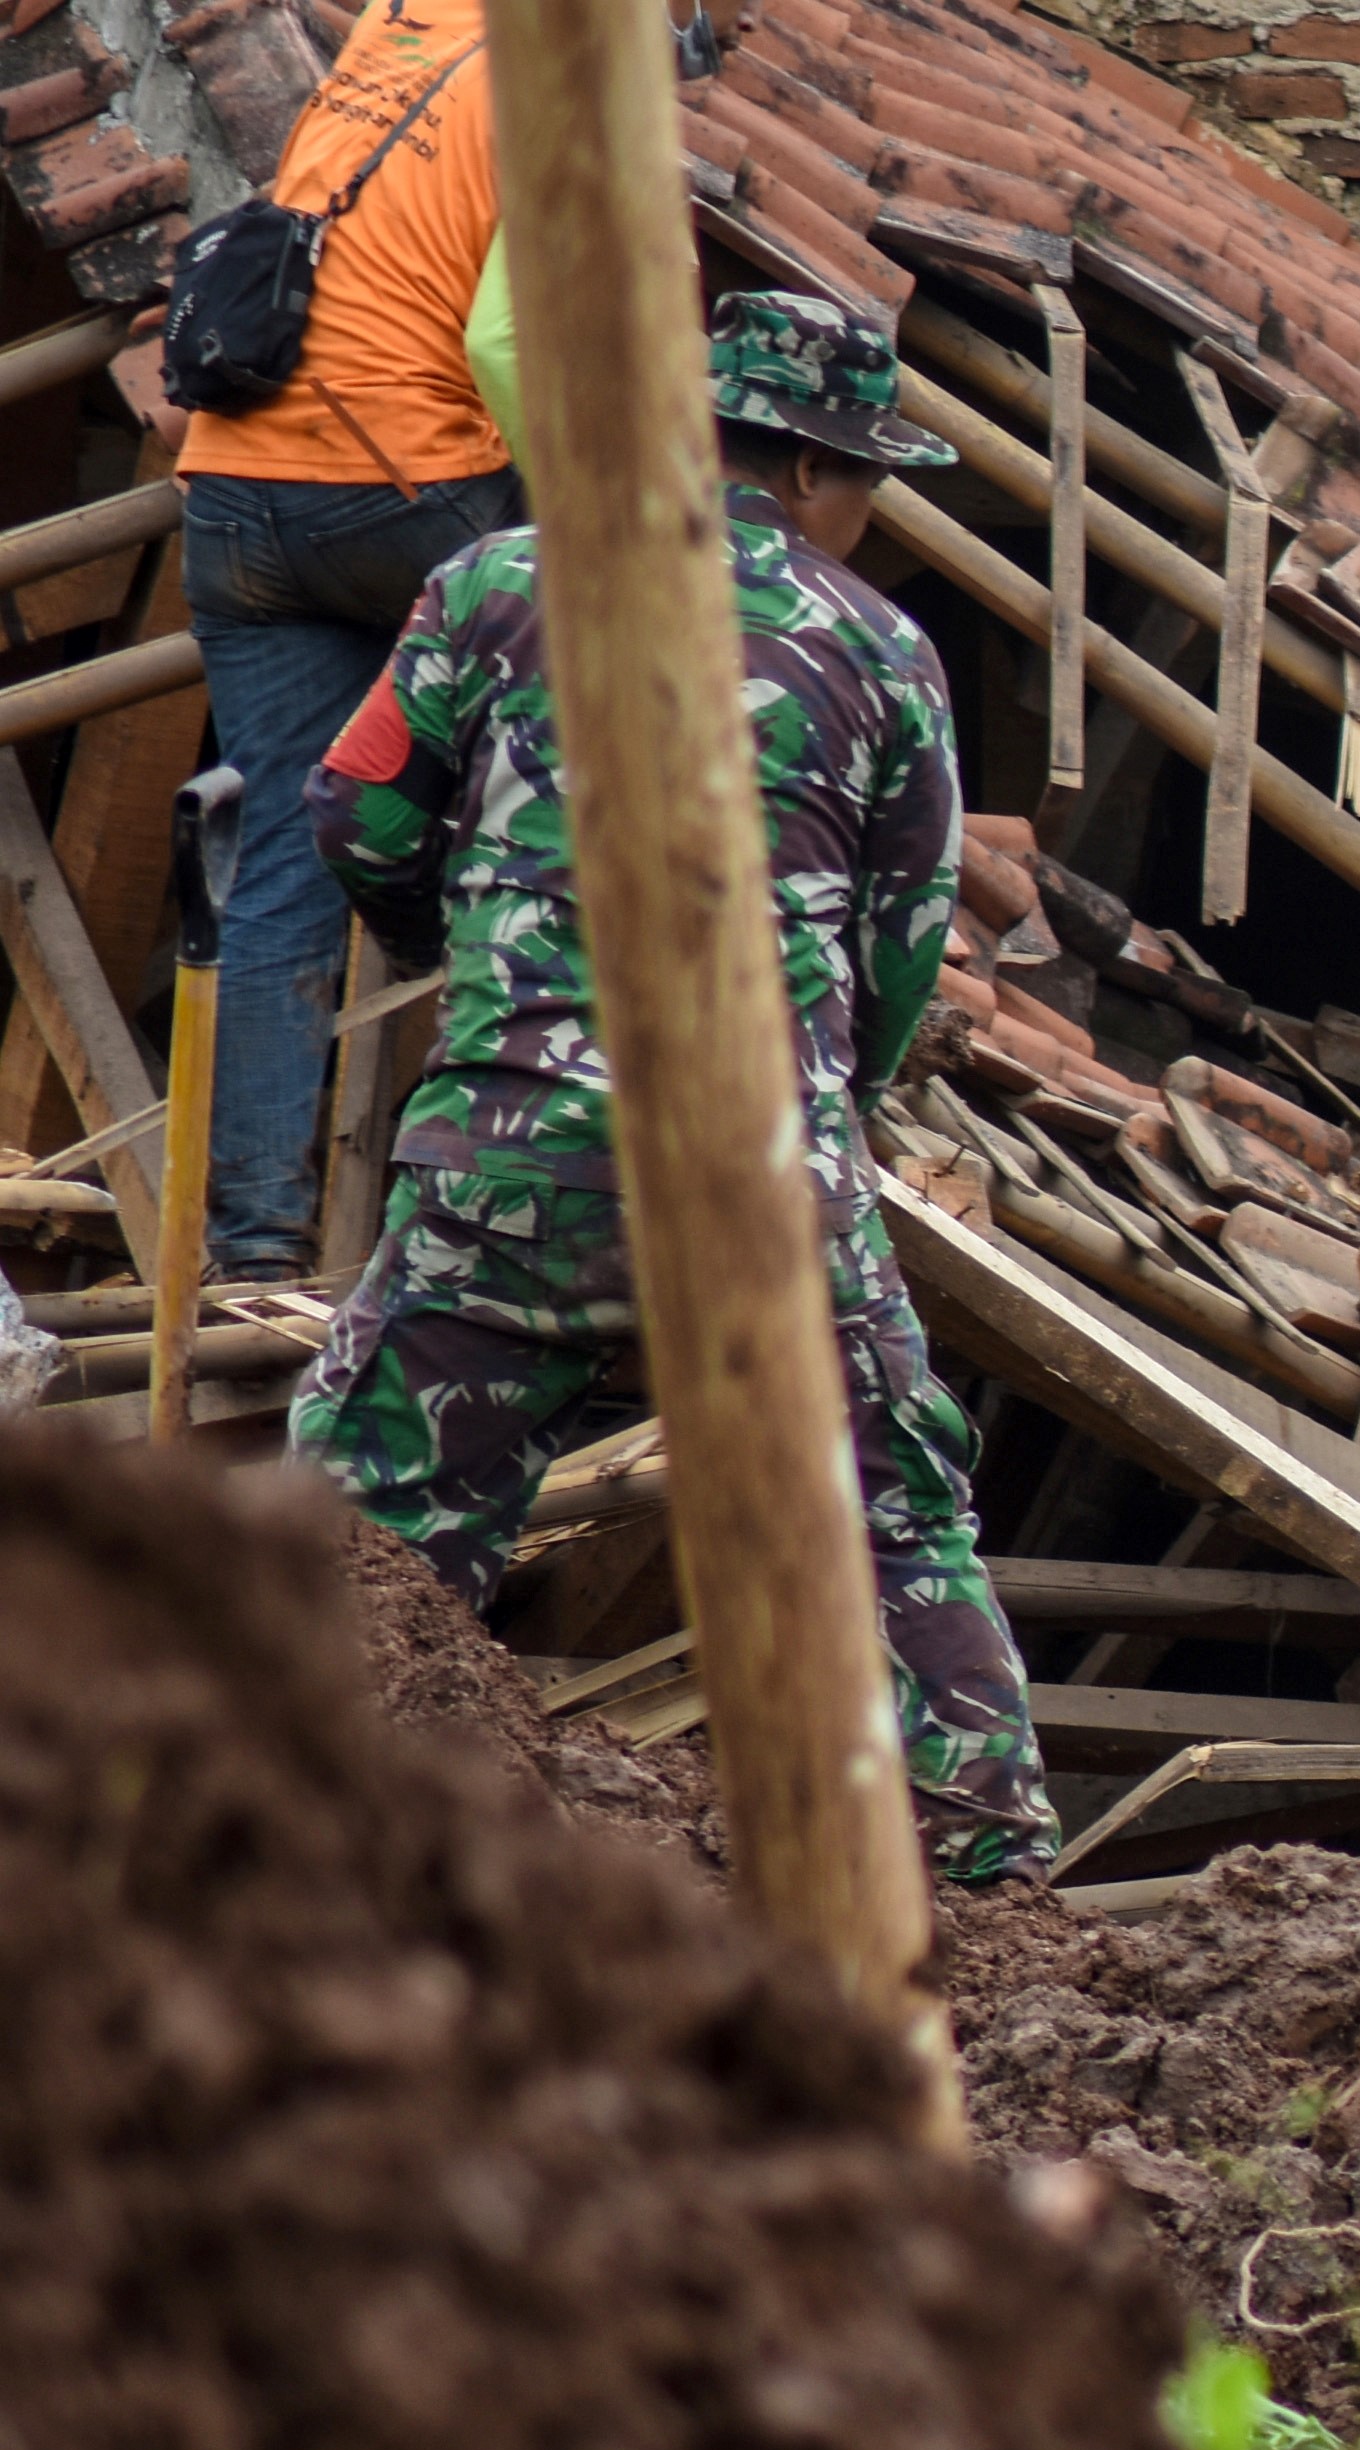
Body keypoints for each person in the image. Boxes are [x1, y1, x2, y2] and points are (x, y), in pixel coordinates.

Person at [287, 292, 1055, 1886]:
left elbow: (356, 806)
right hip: (769, 1188)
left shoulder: (496, 584)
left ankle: (272, 1837)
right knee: (892, 1519)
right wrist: (826, 1091)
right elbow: (902, 949)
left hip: (516, 1167)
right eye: (871, 486)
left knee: (365, 1530)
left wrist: (475, 966)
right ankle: (992, 1874)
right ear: (812, 468)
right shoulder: (884, 650)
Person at [176, 0, 516, 1281]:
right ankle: (489, 1238)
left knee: (274, 865)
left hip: (237, 489)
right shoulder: (576, 81)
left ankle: (255, 1252)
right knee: (565, 799)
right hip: (399, 488)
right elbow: (503, 339)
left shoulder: (398, 24)